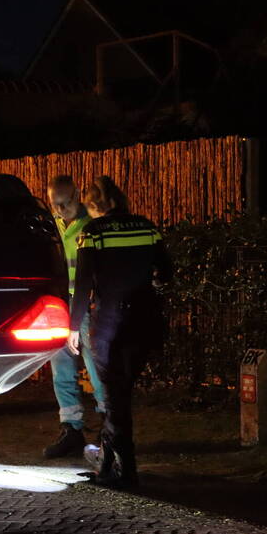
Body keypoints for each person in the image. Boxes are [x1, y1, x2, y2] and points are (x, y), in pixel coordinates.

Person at [68, 176, 172, 489]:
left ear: (95, 205)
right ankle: (109, 461)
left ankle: (123, 469)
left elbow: (83, 282)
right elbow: (165, 272)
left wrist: (73, 326)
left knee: (115, 395)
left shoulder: (94, 232)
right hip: (144, 321)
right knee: (120, 393)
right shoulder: (146, 226)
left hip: (109, 324)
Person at [42, 175, 106, 459]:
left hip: (87, 305)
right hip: (60, 305)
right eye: (55, 204)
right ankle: (71, 428)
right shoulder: (53, 224)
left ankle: (108, 427)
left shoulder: (91, 224)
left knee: (96, 368)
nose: (60, 210)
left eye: (65, 204)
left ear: (78, 195)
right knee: (61, 369)